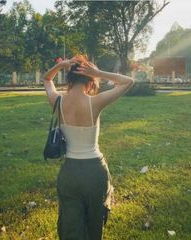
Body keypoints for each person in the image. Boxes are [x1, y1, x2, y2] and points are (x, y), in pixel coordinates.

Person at [43, 55, 134, 240]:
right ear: (90, 80)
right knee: (94, 225)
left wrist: (60, 65)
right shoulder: (95, 102)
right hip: (95, 172)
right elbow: (128, 81)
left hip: (69, 173)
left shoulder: (58, 101)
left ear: (69, 79)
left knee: (70, 226)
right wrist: (98, 72)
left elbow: (47, 79)